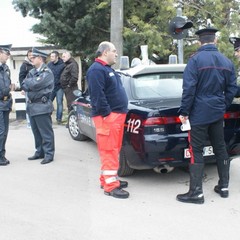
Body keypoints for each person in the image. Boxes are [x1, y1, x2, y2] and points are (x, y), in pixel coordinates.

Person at [177, 27, 238, 204]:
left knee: (196, 150)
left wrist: (184, 112)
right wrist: (222, 105)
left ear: (199, 42)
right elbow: (232, 88)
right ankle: (224, 186)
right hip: (217, 113)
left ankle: (196, 193)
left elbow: (189, 89)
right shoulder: (227, 62)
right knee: (220, 148)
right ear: (215, 41)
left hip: (198, 113)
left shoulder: (195, 61)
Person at [86, 41, 129, 199]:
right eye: (114, 51)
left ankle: (108, 179)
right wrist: (107, 114)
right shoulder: (96, 69)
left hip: (114, 116)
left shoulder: (105, 69)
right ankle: (111, 186)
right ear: (104, 52)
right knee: (109, 150)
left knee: (113, 149)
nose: (116, 54)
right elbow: (97, 95)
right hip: (108, 118)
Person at [21, 47, 55, 165]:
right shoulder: (32, 72)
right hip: (32, 106)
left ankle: (49, 154)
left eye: (34, 57)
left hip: (42, 105)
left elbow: (36, 84)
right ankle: (39, 151)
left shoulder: (47, 73)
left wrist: (31, 84)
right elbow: (24, 84)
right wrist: (31, 84)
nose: (31, 59)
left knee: (45, 132)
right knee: (36, 132)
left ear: (40, 59)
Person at [0, 44, 13, 166]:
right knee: (1, 131)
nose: (8, 56)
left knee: (4, 131)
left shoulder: (5, 68)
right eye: (6, 54)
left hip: (5, 103)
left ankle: (2, 155)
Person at [47, 51, 65, 124]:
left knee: (59, 103)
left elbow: (64, 76)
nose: (51, 58)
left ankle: (59, 119)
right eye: (51, 56)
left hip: (59, 87)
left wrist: (61, 83)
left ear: (57, 57)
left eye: (52, 56)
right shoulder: (49, 65)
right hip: (51, 87)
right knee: (48, 102)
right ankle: (48, 118)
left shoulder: (63, 65)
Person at [19, 49, 34, 128]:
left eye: (32, 55)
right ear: (27, 56)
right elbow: (21, 77)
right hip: (28, 89)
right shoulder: (24, 65)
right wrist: (23, 88)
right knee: (28, 105)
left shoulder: (36, 64)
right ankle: (29, 123)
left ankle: (34, 122)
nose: (31, 56)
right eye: (29, 55)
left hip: (36, 89)